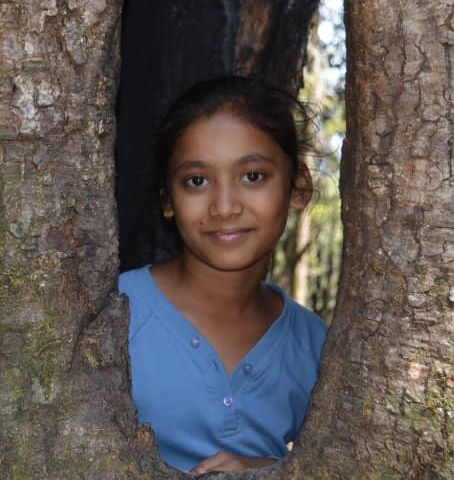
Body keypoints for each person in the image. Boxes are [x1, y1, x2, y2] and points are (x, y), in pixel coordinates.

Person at [119, 75, 327, 473]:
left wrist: (270, 470)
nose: (225, 206)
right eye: (197, 181)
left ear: (298, 187)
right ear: (168, 199)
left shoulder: (318, 348)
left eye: (253, 176)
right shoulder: (115, 313)